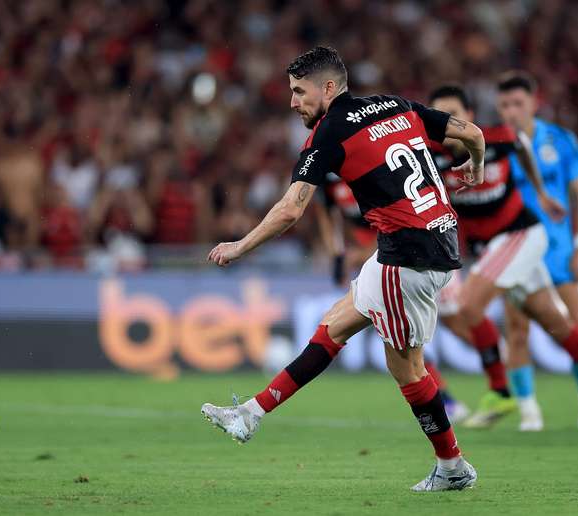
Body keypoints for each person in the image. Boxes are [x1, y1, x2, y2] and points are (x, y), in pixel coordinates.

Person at [201, 46, 487, 491]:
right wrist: (477, 166)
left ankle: (452, 466)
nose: (293, 102)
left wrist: (240, 246)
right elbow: (471, 132)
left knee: (408, 370)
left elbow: (292, 209)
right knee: (335, 325)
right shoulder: (397, 105)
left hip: (407, 257)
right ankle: (250, 415)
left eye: (300, 92)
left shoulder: (330, 131)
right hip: (431, 240)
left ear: (328, 88)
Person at [426, 84, 578, 433]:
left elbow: (522, 148)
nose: (447, 121)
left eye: (454, 113)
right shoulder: (431, 158)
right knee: (556, 325)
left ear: (469, 116)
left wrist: (541, 192)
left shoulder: (492, 139)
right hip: (497, 248)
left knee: (468, 305)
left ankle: (499, 390)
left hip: (520, 235)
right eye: (440, 115)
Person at [497, 72, 578, 431]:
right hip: (517, 251)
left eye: (517, 103)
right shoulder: (498, 147)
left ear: (533, 103)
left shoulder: (560, 139)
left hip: (559, 251)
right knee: (517, 329)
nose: (511, 110)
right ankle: (529, 414)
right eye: (505, 104)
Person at [315, 173, 469, 423]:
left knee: (454, 325)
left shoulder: (372, 171)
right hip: (384, 265)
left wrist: (355, 256)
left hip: (410, 255)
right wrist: (337, 255)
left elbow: (395, 224)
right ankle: (446, 400)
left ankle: (494, 373)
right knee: (399, 336)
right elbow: (326, 215)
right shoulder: (330, 182)